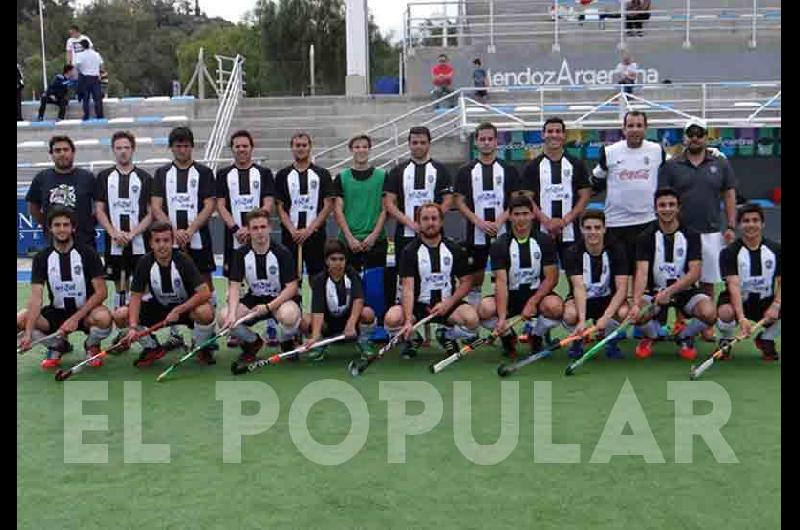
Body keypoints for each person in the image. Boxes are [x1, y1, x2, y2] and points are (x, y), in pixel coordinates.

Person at [659, 118, 737, 321]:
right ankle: (680, 322)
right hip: (679, 233)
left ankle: (705, 323)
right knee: (679, 279)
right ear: (685, 137)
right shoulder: (671, 165)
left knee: (708, 280)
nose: (695, 138)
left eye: (699, 134)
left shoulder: (720, 162)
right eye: (690, 134)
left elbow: (729, 193)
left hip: (710, 231)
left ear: (706, 137)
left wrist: (730, 225)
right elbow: (662, 197)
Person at [17, 207, 112, 370]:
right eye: (57, 225)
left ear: (73, 228)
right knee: (22, 319)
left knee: (104, 318)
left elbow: (102, 292)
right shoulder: (42, 258)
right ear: (49, 228)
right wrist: (27, 333)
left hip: (85, 312)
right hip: (57, 313)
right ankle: (58, 346)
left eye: (66, 225)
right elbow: (36, 298)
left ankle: (91, 346)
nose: (62, 229)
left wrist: (75, 318)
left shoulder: (88, 253)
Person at [629, 188, 717, 361]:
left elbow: (694, 273)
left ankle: (684, 336)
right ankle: (652, 336)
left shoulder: (691, 235)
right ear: (655, 209)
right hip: (655, 292)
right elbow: (641, 272)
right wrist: (636, 301)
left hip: (685, 291)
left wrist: (669, 292)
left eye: (671, 205)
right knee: (637, 313)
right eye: (662, 205)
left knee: (709, 312)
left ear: (678, 208)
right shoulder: (645, 236)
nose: (667, 209)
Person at [384, 203, 480, 359]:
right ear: (418, 223)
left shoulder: (454, 249)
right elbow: (407, 288)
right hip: (418, 307)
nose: (430, 223)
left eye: (434, 218)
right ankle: (414, 338)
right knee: (392, 319)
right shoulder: (409, 252)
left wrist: (448, 303)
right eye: (425, 219)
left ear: (441, 222)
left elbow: (467, 282)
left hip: (447, 305)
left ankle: (447, 335)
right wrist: (408, 320)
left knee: (472, 320)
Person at [151, 127, 218, 347]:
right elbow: (156, 206)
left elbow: (210, 205)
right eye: (178, 146)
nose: (182, 149)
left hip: (197, 237)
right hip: (170, 240)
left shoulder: (204, 173)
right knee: (171, 283)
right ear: (171, 148)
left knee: (205, 283)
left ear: (192, 147)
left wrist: (190, 230)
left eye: (186, 145)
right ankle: (175, 333)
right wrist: (173, 232)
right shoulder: (162, 173)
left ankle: (209, 334)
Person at [119, 221, 217, 367]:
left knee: (206, 312)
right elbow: (135, 296)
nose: (162, 245)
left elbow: (204, 293)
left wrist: (178, 310)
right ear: (151, 243)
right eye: (157, 241)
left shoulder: (183, 261)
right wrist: (133, 327)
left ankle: (200, 346)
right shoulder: (144, 262)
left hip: (185, 309)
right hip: (159, 307)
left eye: (166, 240)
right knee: (121, 315)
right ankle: (152, 348)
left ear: (172, 242)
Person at [479, 196, 562, 357]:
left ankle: (536, 335)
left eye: (525, 213)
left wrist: (532, 302)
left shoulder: (545, 241)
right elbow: (501, 283)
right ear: (509, 217)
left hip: (537, 296)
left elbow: (552, 278)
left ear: (532, 215)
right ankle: (508, 336)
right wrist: (502, 318)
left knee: (556, 307)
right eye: (516, 214)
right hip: (510, 297)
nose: (521, 219)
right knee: (484, 309)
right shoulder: (499, 245)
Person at [94, 131, 154, 344]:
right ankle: (121, 331)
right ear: (113, 150)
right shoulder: (104, 177)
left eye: (126, 147)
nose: (122, 151)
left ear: (133, 149)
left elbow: (150, 213)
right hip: (114, 242)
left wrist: (132, 233)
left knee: (141, 285)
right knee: (120, 284)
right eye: (118, 148)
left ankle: (144, 330)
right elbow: (99, 210)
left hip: (138, 242)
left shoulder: (145, 177)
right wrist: (114, 233)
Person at [219, 210, 301, 363]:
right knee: (224, 317)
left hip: (279, 301)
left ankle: (287, 342)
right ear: (248, 230)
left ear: (270, 227)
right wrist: (231, 314)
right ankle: (253, 342)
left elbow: (292, 288)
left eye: (263, 227)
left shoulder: (282, 252)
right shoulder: (240, 254)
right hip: (254, 299)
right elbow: (235, 286)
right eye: (255, 228)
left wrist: (269, 306)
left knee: (289, 315)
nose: (259, 232)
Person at [384, 126, 453, 306]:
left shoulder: (440, 170)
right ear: (409, 144)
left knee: (436, 274)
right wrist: (411, 223)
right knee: (404, 277)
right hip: (405, 234)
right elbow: (389, 203)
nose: (418, 146)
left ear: (429, 144)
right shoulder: (398, 171)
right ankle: (402, 317)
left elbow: (448, 199)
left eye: (422, 142)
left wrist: (432, 221)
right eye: (414, 142)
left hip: (434, 235)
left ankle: (442, 316)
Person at [591, 111, 665, 274]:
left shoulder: (657, 151)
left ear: (646, 128)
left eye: (639, 126)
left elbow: (676, 164)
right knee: (619, 274)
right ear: (623, 129)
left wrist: (711, 152)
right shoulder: (609, 152)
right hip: (616, 223)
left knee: (647, 274)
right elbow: (596, 180)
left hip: (647, 221)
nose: (635, 130)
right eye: (630, 126)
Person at [454, 122, 518, 307]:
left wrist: (499, 221)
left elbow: (515, 201)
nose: (487, 143)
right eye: (483, 139)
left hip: (503, 231)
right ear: (476, 142)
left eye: (490, 139)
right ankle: (473, 320)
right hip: (476, 233)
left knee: (504, 275)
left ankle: (503, 317)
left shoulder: (508, 170)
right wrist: (478, 222)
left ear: (496, 142)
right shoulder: (465, 171)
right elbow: (459, 201)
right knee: (475, 278)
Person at [519, 117, 592, 268]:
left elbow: (584, 196)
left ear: (564, 135)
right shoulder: (532, 166)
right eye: (550, 131)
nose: (554, 135)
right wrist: (547, 221)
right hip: (540, 231)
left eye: (558, 131)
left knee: (575, 275)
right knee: (542, 277)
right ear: (543, 135)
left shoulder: (576, 164)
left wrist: (565, 221)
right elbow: (527, 199)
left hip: (571, 232)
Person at [562, 210, 630, 359]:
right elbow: (578, 288)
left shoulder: (617, 249)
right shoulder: (572, 252)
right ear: (581, 229)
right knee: (569, 315)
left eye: (597, 228)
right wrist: (581, 321)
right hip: (582, 300)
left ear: (605, 229)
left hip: (608, 300)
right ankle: (578, 339)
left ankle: (610, 341)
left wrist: (605, 317)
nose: (593, 232)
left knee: (625, 312)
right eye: (588, 228)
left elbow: (622, 289)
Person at [716, 203, 781, 361]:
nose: (751, 225)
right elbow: (734, 286)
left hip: (765, 301)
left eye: (755, 220)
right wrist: (741, 318)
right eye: (746, 221)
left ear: (762, 224)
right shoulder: (729, 252)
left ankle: (765, 339)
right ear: (739, 225)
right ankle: (726, 339)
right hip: (738, 300)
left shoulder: (776, 249)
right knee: (725, 312)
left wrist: (776, 305)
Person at [301, 239, 377, 361]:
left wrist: (351, 323)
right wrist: (315, 336)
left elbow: (359, 300)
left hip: (349, 323)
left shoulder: (352, 275)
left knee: (368, 313)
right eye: (333, 259)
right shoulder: (319, 280)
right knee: (305, 321)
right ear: (327, 261)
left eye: (341, 259)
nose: (338, 263)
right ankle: (320, 344)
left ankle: (363, 342)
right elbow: (318, 310)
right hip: (328, 324)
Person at [274, 132, 336, 279]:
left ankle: (318, 302)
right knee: (291, 278)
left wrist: (309, 230)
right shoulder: (283, 175)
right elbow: (280, 207)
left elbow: (328, 206)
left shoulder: (322, 174)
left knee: (318, 277)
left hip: (315, 235)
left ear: (310, 147)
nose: (301, 148)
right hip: (291, 236)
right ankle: (295, 302)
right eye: (297, 145)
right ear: (292, 148)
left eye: (304, 145)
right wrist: (293, 231)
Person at [216, 130, 275, 279]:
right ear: (232, 149)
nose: (241, 149)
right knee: (234, 279)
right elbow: (221, 205)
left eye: (245, 146)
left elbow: (268, 204)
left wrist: (252, 229)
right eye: (237, 146)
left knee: (262, 276)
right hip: (234, 236)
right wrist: (236, 229)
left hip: (259, 235)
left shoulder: (264, 173)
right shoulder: (223, 174)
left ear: (251, 147)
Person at [26, 135, 97, 248]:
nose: (62, 153)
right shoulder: (42, 178)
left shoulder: (87, 177)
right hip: (54, 242)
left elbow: (100, 206)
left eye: (66, 150)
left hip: (85, 241)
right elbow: (33, 207)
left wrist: (88, 224)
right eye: (57, 150)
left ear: (73, 152)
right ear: (52, 155)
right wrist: (48, 224)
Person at [332, 134, 388, 273]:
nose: (361, 150)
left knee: (375, 289)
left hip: (376, 241)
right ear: (351, 150)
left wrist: (373, 236)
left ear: (370, 149)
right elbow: (337, 210)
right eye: (357, 147)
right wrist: (349, 238)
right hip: (348, 242)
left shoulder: (382, 176)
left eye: (364, 147)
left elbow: (385, 209)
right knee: (350, 289)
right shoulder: (341, 178)